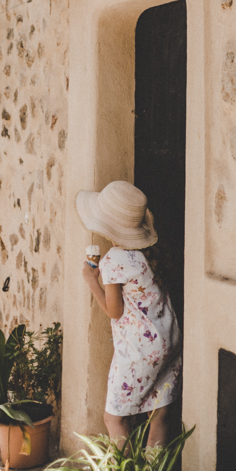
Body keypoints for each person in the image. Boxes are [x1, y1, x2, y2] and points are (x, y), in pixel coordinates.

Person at [77, 180, 181, 448]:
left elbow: (114, 311)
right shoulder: (152, 250)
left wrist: (91, 280)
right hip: (168, 341)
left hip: (139, 350)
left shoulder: (114, 260)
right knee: (160, 413)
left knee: (114, 418)